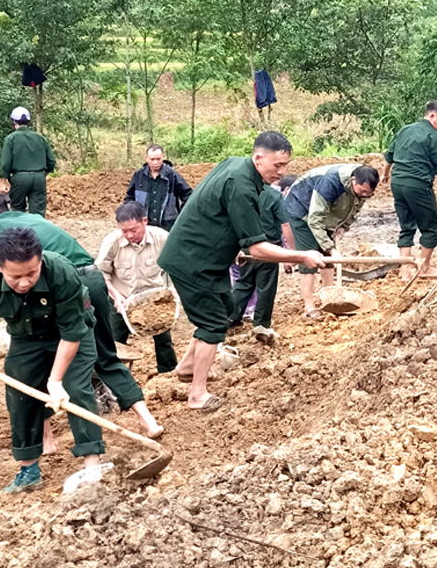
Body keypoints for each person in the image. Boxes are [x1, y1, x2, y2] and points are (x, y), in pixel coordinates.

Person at [0, 191, 162, 438]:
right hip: (93, 279)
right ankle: (147, 421)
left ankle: (47, 438)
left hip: (63, 286)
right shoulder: (29, 220)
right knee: (105, 354)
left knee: (38, 359)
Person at [156, 132, 327, 411]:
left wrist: (232, 243)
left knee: (224, 307)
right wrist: (300, 255)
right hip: (193, 260)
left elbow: (215, 209)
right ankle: (197, 394)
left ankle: (187, 367)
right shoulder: (242, 185)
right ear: (258, 158)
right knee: (212, 324)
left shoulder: (235, 165)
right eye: (277, 166)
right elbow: (258, 249)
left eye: (286, 165)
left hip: (210, 256)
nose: (282, 172)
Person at [0, 227, 107, 494]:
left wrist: (55, 381)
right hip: (26, 337)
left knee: (75, 389)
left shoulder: (62, 273)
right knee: (20, 394)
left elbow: (72, 332)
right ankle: (28, 471)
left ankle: (92, 465)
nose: (24, 282)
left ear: (40, 261)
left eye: (32, 273)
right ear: (0, 266)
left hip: (70, 333)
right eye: (15, 276)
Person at [382, 102, 437, 281]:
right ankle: (424, 268)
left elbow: (389, 155)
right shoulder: (433, 137)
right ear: (432, 116)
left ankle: (405, 271)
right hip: (418, 184)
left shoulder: (404, 130)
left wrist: (385, 174)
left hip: (397, 183)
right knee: (430, 227)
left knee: (406, 226)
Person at [284, 163, 379, 318]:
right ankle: (309, 307)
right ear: (353, 180)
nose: (364, 195)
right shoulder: (330, 183)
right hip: (301, 210)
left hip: (322, 215)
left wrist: (343, 227)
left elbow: (355, 207)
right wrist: (331, 249)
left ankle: (330, 300)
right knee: (310, 256)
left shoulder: (363, 189)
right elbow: (315, 219)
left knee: (328, 260)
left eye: (368, 194)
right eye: (362, 191)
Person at [96, 201, 179, 375]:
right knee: (114, 342)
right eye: (124, 231)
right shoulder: (112, 242)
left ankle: (168, 374)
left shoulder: (162, 238)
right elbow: (101, 273)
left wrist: (174, 293)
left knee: (163, 340)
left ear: (144, 221)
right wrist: (116, 296)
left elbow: (178, 263)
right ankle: (111, 377)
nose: (129, 235)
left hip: (154, 300)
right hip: (123, 299)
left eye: (133, 230)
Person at [229, 177, 287, 338]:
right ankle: (261, 323)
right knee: (266, 286)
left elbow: (233, 220)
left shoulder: (243, 194)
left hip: (247, 245)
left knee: (244, 282)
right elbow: (285, 224)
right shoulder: (274, 196)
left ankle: (232, 316)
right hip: (268, 247)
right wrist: (292, 252)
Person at [0, 107, 56, 216]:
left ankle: (19, 232)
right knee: (38, 213)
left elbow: (5, 163)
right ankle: (37, 232)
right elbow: (51, 161)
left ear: (13, 122)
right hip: (39, 177)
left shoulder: (10, 139)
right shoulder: (40, 138)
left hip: (19, 178)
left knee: (17, 210)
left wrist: (3, 182)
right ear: (29, 122)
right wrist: (44, 174)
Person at [124, 145, 193, 232]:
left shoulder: (172, 175)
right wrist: (133, 216)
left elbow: (188, 196)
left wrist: (181, 216)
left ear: (163, 157)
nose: (155, 162)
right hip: (144, 226)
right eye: (152, 159)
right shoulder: (138, 175)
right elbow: (129, 198)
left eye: (158, 159)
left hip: (168, 226)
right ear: (146, 158)